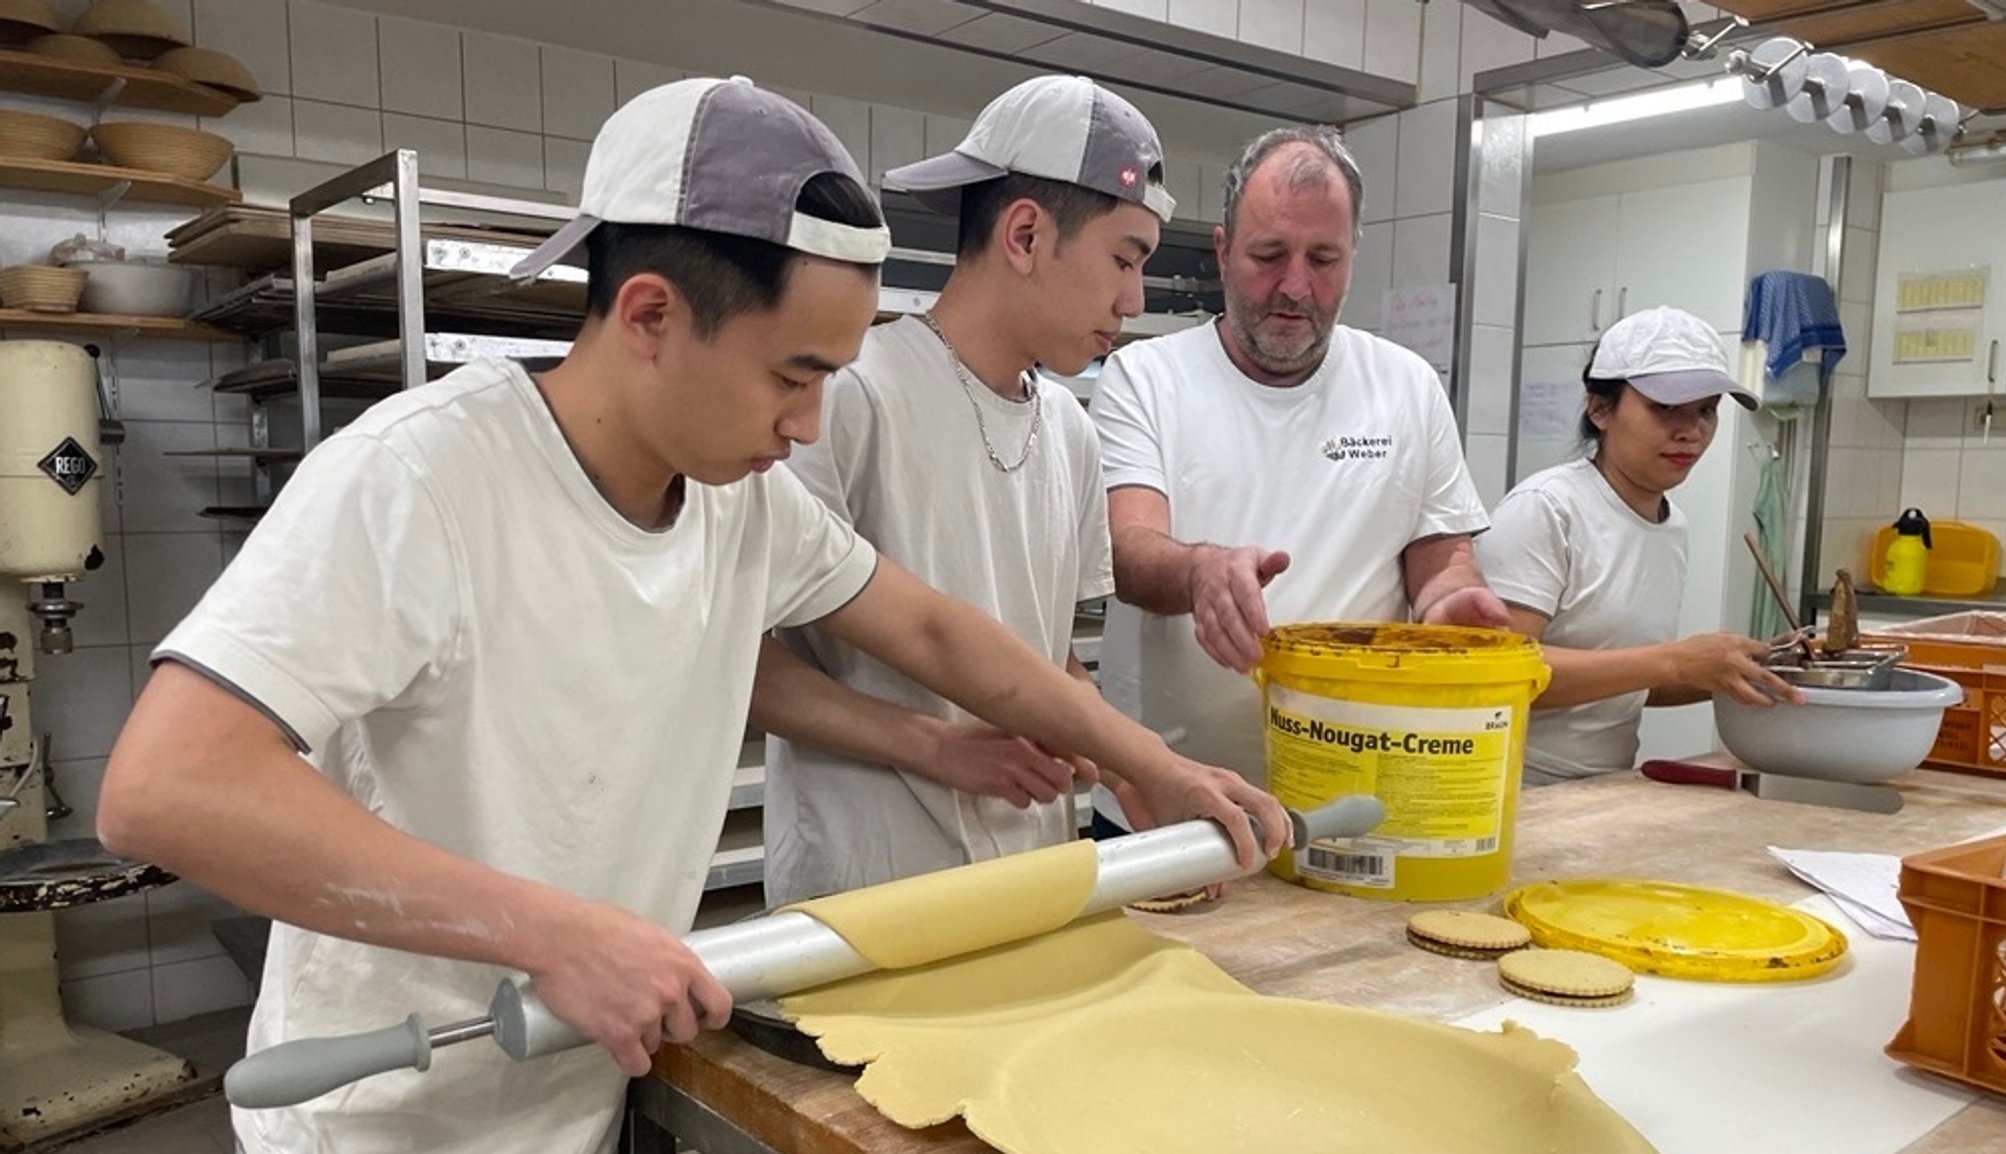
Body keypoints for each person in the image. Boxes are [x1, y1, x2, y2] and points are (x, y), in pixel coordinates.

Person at [94, 78, 1285, 1154]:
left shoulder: (740, 507)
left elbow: (930, 633)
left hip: (575, 1092)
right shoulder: (423, 479)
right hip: (383, 1117)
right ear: (653, 315)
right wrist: (552, 932)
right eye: (793, 374)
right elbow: (166, 785)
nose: (812, 425)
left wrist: (1147, 766)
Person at [752, 75, 1179, 905]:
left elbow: (1045, 653)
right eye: (1125, 259)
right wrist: (930, 745)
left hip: (1029, 872)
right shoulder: (849, 396)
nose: (1133, 299)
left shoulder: (1071, 429)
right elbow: (744, 663)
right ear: (1025, 234)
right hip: (869, 884)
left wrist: (1133, 769)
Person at [1088, 126, 1509, 834]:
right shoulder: (1148, 377)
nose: (1295, 286)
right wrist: (1200, 573)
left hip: (1351, 805)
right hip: (1167, 812)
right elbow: (1126, 547)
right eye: (1268, 255)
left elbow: (1440, 558)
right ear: (1223, 250)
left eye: (1324, 260)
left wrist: (1452, 600)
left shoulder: (1405, 385)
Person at [1473, 306, 1803, 785]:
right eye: (1665, 408)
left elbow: (1623, 684)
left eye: (1706, 411)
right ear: (1600, 408)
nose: (1691, 431)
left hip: (1604, 784)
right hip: (1513, 783)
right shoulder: (1547, 508)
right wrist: (1673, 659)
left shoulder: (1672, 526)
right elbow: (1497, 673)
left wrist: (1741, 670)